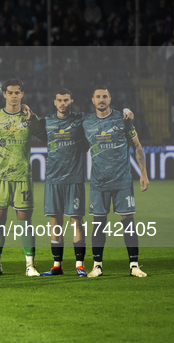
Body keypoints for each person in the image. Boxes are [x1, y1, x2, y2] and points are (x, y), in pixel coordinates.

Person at [38, 88, 134, 277]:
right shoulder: (46, 121)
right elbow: (35, 129)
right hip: (53, 179)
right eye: (59, 100)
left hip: (75, 178)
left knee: (76, 222)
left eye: (66, 100)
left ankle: (79, 265)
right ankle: (57, 265)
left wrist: (127, 109)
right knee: (55, 223)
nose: (63, 103)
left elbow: (102, 116)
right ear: (54, 102)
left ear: (71, 101)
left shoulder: (82, 119)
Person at [83, 85, 149, 278]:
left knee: (128, 222)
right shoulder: (86, 122)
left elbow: (137, 145)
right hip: (98, 182)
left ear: (110, 99)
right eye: (98, 97)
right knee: (98, 224)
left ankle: (134, 265)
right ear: (92, 100)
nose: (101, 99)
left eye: (105, 96)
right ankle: (97, 266)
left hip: (122, 181)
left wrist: (143, 173)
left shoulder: (123, 119)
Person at [0, 79, 45, 277]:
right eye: (10, 92)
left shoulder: (28, 118)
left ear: (22, 94)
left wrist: (33, 117)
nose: (13, 96)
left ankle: (30, 265)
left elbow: (46, 136)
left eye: (17, 92)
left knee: (25, 221)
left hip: (22, 177)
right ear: (4, 94)